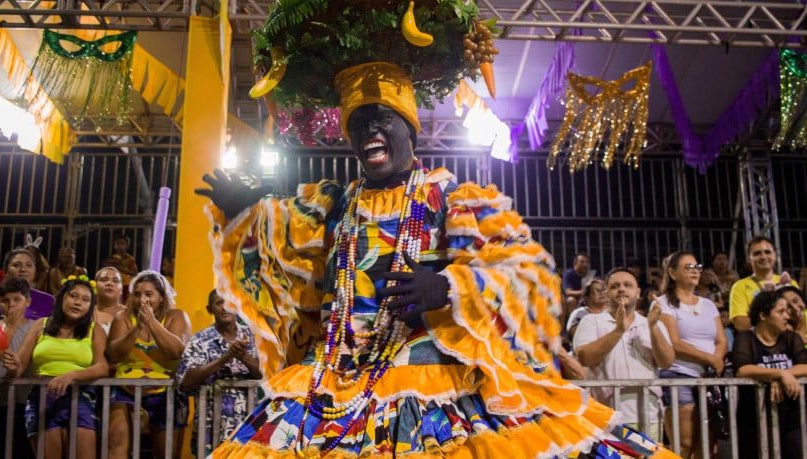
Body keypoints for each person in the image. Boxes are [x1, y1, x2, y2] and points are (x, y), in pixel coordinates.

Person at [196, 61, 678, 457]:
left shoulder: (450, 198)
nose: (369, 131)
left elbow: (523, 271)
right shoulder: (332, 204)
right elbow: (288, 272)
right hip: (331, 385)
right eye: (359, 123)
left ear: (410, 128)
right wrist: (246, 214)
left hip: (428, 385)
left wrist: (447, 285)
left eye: (381, 118)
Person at [1, 275, 108, 459]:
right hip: (44, 398)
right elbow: (20, 367)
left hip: (80, 397)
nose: (78, 303)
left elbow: (102, 367)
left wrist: (70, 376)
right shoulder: (40, 325)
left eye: (85, 300)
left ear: (90, 306)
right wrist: (13, 365)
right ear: (62, 297)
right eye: (73, 296)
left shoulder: (94, 329)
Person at [573, 268, 675, 440]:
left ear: (638, 292)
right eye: (615, 286)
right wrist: (618, 330)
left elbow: (666, 362)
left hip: (648, 415)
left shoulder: (652, 323)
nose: (621, 289)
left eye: (628, 285)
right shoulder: (591, 321)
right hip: (606, 417)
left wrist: (653, 327)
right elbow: (585, 357)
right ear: (607, 293)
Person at [106, 270, 191, 459]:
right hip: (126, 389)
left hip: (166, 392)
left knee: (166, 454)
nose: (142, 299)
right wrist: (138, 327)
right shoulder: (123, 318)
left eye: (149, 294)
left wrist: (152, 322)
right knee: (116, 442)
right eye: (137, 294)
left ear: (161, 297)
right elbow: (114, 355)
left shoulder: (177, 316)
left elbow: (176, 352)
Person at [656, 252, 727, 459]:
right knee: (684, 443)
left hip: (709, 378)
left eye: (697, 266)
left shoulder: (708, 304)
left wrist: (716, 362)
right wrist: (710, 359)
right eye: (688, 267)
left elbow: (721, 340)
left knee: (707, 444)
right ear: (672, 273)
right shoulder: (663, 303)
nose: (695, 271)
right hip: (678, 375)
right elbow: (674, 343)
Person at [176, 290, 262, 456]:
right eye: (218, 303)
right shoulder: (200, 340)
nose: (224, 308)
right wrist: (225, 358)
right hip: (210, 425)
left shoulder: (251, 336)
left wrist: (242, 355)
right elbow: (186, 381)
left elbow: (260, 374)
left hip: (246, 423)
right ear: (210, 309)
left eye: (228, 302)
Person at [732, 290, 807, 459]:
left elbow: (805, 366)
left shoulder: (791, 338)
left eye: (786, 311)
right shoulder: (745, 339)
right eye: (781, 312)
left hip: (791, 418)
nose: (787, 316)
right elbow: (742, 369)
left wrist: (784, 375)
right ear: (763, 316)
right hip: (754, 418)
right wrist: (778, 374)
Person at [0, 278, 36, 459]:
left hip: (22, 404)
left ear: (28, 301)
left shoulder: (35, 328)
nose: (11, 305)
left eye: (17, 300)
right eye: (5, 301)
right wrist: (10, 327)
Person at [729, 236, 798, 332]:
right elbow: (740, 323)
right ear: (749, 259)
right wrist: (775, 324)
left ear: (775, 255)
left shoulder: (790, 283)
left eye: (767, 252)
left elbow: (800, 316)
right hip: (759, 344)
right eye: (757, 253)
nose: (763, 257)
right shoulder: (740, 286)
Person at [0, 248, 55, 320]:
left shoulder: (48, 300)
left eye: (29, 265)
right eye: (16, 265)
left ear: (35, 271)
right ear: (5, 272)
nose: (23, 269)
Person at [93, 267, 126, 335]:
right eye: (104, 279)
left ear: (122, 290)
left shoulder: (130, 313)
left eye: (115, 281)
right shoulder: (86, 313)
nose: (109, 283)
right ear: (95, 286)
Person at [562, 252, 593, 319]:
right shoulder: (568, 274)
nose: (585, 264)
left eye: (587, 262)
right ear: (575, 264)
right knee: (571, 300)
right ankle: (573, 323)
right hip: (574, 298)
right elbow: (568, 292)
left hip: (586, 298)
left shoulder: (591, 274)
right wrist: (583, 292)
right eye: (582, 262)